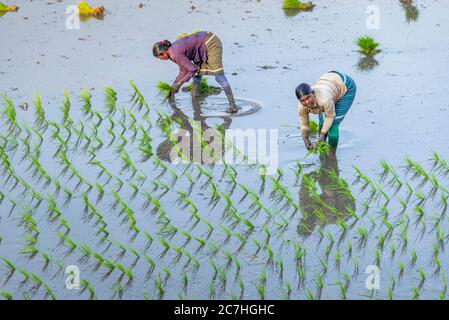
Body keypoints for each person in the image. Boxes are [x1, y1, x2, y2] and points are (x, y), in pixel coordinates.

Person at [153, 31, 238, 113]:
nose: (161, 60)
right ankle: (195, 101)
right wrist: (174, 85)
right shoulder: (172, 53)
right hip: (200, 47)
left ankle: (233, 106)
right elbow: (183, 70)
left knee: (219, 76)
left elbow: (192, 69)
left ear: (162, 53)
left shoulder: (174, 53)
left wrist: (179, 84)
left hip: (210, 43)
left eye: (159, 58)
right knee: (197, 75)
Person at [296, 71, 356, 151]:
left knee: (333, 124)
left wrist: (322, 134)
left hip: (345, 85)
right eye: (302, 100)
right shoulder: (301, 106)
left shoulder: (324, 100)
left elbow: (330, 116)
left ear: (313, 93)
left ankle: (331, 153)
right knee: (322, 121)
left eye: (308, 97)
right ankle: (322, 147)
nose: (306, 102)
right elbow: (304, 124)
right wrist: (305, 139)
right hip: (328, 83)